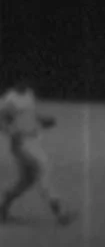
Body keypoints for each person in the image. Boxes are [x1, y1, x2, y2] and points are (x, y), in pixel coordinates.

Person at [0, 78, 73, 226]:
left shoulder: (29, 94)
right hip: (21, 144)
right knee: (43, 170)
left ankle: (3, 209)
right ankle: (60, 214)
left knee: (26, 180)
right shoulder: (8, 100)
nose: (26, 83)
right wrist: (13, 134)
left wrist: (42, 121)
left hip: (33, 140)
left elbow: (31, 115)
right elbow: (2, 122)